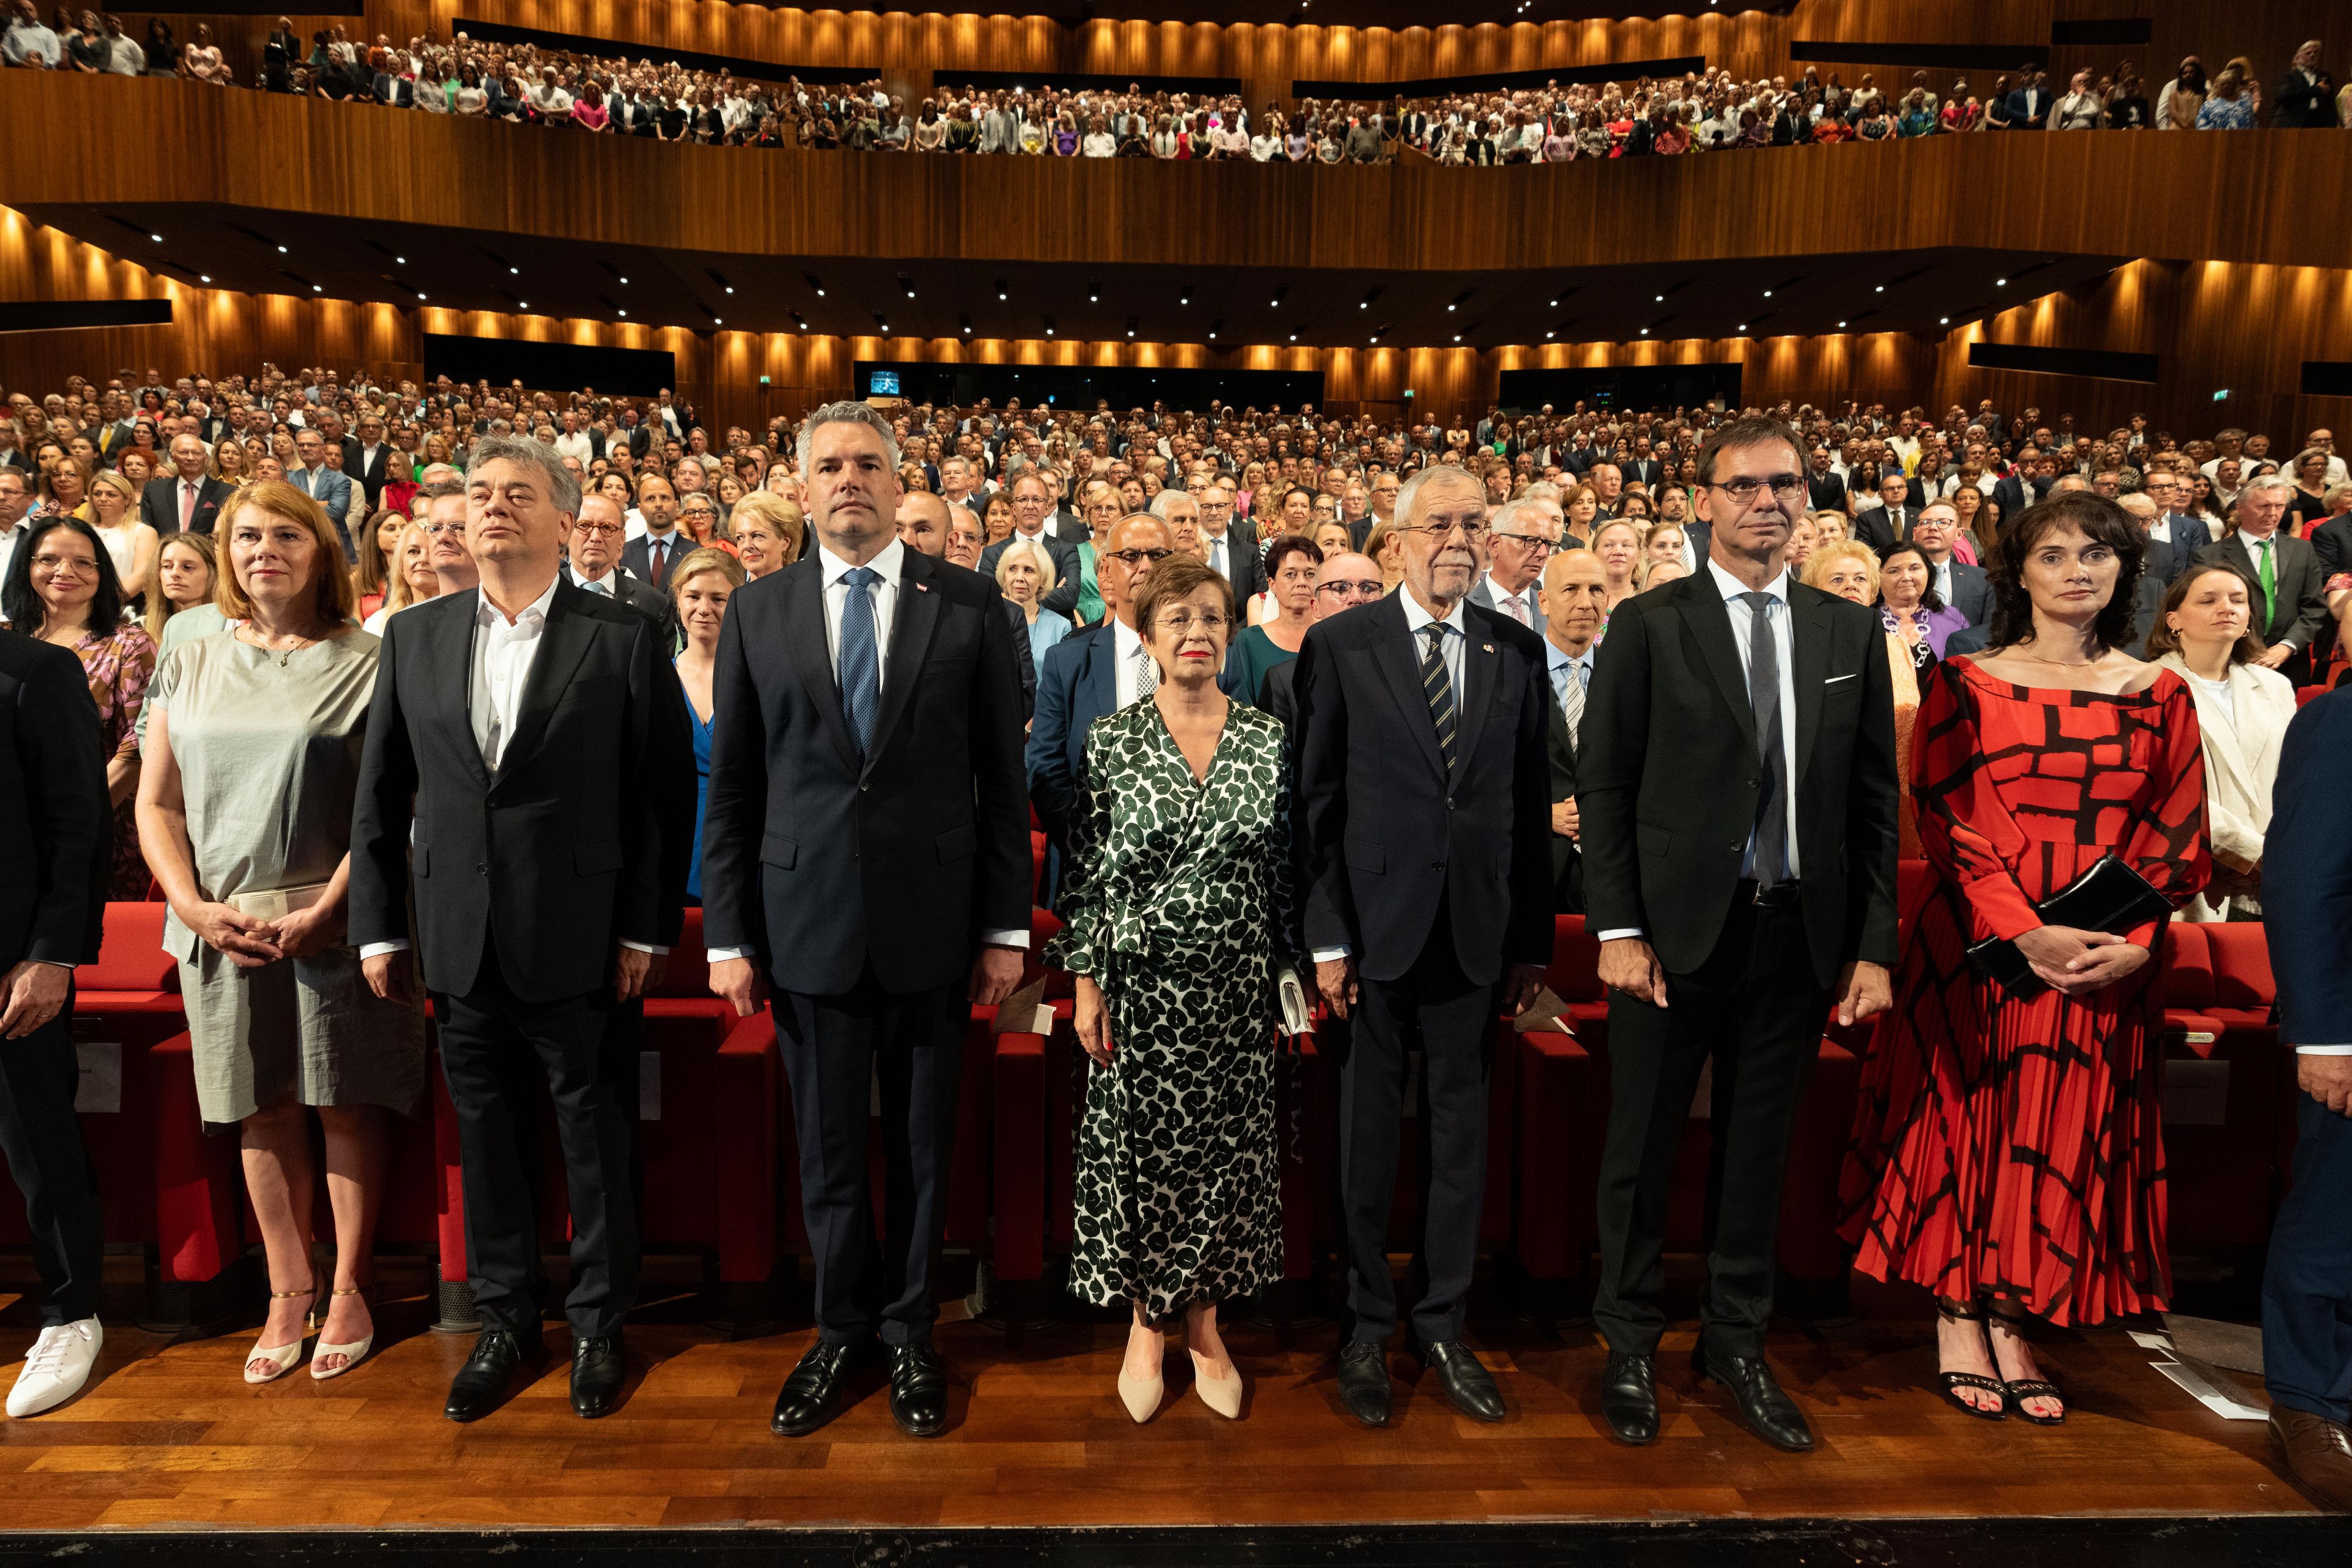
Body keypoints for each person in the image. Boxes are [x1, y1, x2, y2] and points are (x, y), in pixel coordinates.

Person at [1840, 492, 2209, 1428]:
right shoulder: (1967, 680)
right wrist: (2023, 928)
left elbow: (2178, 832)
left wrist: (2132, 941)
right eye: (2054, 554)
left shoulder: (2160, 690)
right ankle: (1959, 1309)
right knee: (1976, 1125)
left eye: (2096, 553)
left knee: (2064, 1135)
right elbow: (1950, 816)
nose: (2077, 569)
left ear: (2125, 570)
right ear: (2021, 574)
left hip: (2104, 955)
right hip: (1983, 944)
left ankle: (2016, 1313)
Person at [699, 403, 1030, 1442]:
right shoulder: (758, 611)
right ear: (802, 489)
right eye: (829, 466)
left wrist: (1005, 928)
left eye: (868, 465)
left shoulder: (971, 604)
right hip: (803, 923)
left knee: (928, 1147)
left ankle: (909, 1333)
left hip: (935, 923)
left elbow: (999, 779)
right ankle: (839, 1328)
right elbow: (738, 787)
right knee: (832, 1147)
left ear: (898, 486)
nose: (849, 479)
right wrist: (728, 936)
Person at [349, 436, 693, 1425]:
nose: (493, 508)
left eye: (519, 495)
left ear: (564, 519)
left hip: (586, 938)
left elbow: (660, 799)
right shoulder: (413, 635)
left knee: (596, 1138)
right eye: (481, 494)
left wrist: (642, 925)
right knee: (489, 1142)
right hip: (457, 936)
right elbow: (383, 794)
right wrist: (380, 930)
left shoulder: (624, 634)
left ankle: (599, 1323)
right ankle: (507, 1319)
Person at [1582, 414, 1899, 1455]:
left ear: (1807, 498)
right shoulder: (1649, 621)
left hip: (1796, 935)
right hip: (1670, 939)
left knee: (1758, 1153)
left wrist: (1871, 945)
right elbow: (1609, 785)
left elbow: (1871, 807)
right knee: (1641, 1149)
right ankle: (1629, 1340)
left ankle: (1735, 1342)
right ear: (1705, 500)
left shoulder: (1847, 630)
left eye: (1787, 484)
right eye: (1746, 485)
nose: (1769, 500)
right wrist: (1619, 927)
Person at [136, 480, 426, 1385]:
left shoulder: (369, 658)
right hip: (218, 921)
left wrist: (332, 907)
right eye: (247, 535)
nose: (265, 550)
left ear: (322, 550)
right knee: (256, 1108)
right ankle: (287, 1287)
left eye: (286, 535)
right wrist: (187, 904)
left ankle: (348, 1283)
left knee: (344, 1102)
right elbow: (157, 801)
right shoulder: (188, 658)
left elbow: (392, 806)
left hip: (328, 920)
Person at [1292, 463, 1552, 1429]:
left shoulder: (1515, 650)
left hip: (1477, 938)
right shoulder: (1342, 643)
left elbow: (1529, 811)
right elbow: (1313, 809)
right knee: (1365, 1144)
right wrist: (1325, 938)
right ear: (1397, 539)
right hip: (1369, 938)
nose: (1457, 539)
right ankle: (1365, 1323)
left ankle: (1443, 1320)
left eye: (1474, 523)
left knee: (1461, 1140)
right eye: (1438, 522)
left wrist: (1529, 943)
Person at [1047, 556, 1293, 1423]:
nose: (1196, 632)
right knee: (1144, 1162)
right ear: (1147, 636)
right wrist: (1085, 985)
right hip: (1139, 990)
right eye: (1178, 618)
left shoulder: (1269, 738)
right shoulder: (1112, 739)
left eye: (1212, 617)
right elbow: (1087, 878)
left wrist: (1283, 985)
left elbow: (1285, 876)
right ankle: (1145, 1325)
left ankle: (1205, 1325)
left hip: (1234, 991)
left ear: (1231, 634)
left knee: (1223, 1160)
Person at [0, 621, 111, 1419]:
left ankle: (73, 1310)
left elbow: (79, 825)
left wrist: (52, 953)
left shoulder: (37, 669)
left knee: (37, 1139)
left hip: (13, 965)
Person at [2259, 616, 2352, 1512]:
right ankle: (2307, 1399)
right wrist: (2325, 1032)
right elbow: (2301, 878)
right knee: (2337, 1212)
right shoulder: (2338, 718)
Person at [2, 516, 154, 899]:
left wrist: (64, 822)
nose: (65, 571)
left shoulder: (129, 645)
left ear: (102, 572)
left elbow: (138, 749)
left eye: (84, 562)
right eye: (49, 559)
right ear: (27, 566)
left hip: (97, 834)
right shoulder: (6, 641)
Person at [2147, 563, 2296, 921]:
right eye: (2208, 600)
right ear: (2173, 620)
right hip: (2196, 874)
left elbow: (2295, 777)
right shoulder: (2149, 686)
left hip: (2279, 875)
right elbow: (2168, 792)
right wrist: (2253, 854)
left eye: (2238, 600)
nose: (2226, 607)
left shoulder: (2275, 685)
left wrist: (2286, 853)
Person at [1805, 540, 1925, 859]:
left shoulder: (1897, 646)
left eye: (1860, 579)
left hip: (1894, 800)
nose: (1851, 586)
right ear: (1812, 591)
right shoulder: (1802, 649)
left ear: (1873, 590)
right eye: (1837, 579)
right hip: (1829, 801)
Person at [669, 547, 744, 907]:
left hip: (742, 842)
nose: (704, 608)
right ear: (677, 601)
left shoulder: (758, 678)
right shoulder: (654, 678)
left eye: (719, 598)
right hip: (670, 847)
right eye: (693, 596)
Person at [2199, 476, 2328, 683]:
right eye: (2264, 506)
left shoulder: (2302, 550)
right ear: (2241, 508)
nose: (2273, 514)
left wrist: (2287, 646)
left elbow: (2315, 607)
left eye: (2279, 506)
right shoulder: (2210, 556)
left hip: (2288, 663)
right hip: (2231, 661)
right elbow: (2204, 611)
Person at [1538, 548, 1606, 913]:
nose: (1585, 602)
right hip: (1534, 866)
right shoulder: (1510, 673)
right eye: (1571, 590)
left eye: (1596, 589)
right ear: (1544, 601)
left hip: (1609, 872)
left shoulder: (1628, 675)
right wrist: (1541, 812)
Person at [567, 492, 678, 651]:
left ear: (622, 539)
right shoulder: (542, 592)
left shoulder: (654, 604)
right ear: (567, 530)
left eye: (607, 528)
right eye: (584, 526)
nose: (596, 537)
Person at [1221, 534, 1318, 704]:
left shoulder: (1330, 636)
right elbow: (1243, 706)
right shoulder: (1249, 641)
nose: (1302, 582)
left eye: (1310, 574)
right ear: (1272, 584)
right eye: (1290, 575)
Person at [1877, 539, 1968, 663]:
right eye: (1894, 571)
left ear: (1928, 572)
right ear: (1878, 578)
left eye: (1914, 568)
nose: (1906, 577)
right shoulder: (1867, 623)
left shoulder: (1953, 618)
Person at [997, 536, 1071, 680]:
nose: (1020, 577)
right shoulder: (990, 622)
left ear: (1042, 578)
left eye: (1029, 570)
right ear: (1004, 575)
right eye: (1012, 569)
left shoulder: (1060, 627)